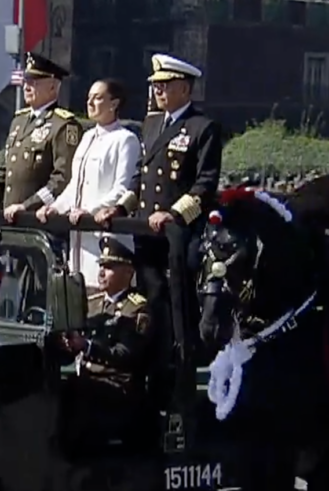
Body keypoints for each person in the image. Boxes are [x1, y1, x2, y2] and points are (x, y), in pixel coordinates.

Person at [127, 53, 223, 392]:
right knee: (151, 295)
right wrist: (123, 206)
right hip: (146, 230)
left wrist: (175, 214)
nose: (157, 92)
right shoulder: (151, 124)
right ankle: (153, 354)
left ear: (184, 88)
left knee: (179, 298)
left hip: (179, 232)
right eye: (155, 86)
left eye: (165, 86)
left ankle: (183, 359)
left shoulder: (203, 128)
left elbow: (205, 185)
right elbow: (141, 176)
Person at [36, 78, 141, 283]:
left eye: (98, 98)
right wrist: (55, 207)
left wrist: (90, 210)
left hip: (105, 234)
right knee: (75, 289)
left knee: (100, 290)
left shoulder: (125, 139)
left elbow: (121, 188)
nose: (90, 103)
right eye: (89, 98)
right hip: (78, 235)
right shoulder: (87, 137)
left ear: (114, 103)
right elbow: (75, 185)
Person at [60, 238, 152, 450]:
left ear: (128, 273)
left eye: (109, 267)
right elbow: (74, 345)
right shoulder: (92, 303)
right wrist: (65, 343)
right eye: (101, 266)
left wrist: (87, 346)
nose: (101, 272)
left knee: (77, 391)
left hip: (118, 388)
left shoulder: (136, 309)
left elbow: (125, 355)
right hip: (89, 382)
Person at [0, 52, 83, 221]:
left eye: (33, 82)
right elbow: (4, 171)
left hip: (39, 221)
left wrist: (28, 206)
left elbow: (63, 179)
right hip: (10, 219)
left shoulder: (64, 125)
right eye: (25, 81)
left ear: (52, 87)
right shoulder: (19, 121)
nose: (26, 87)